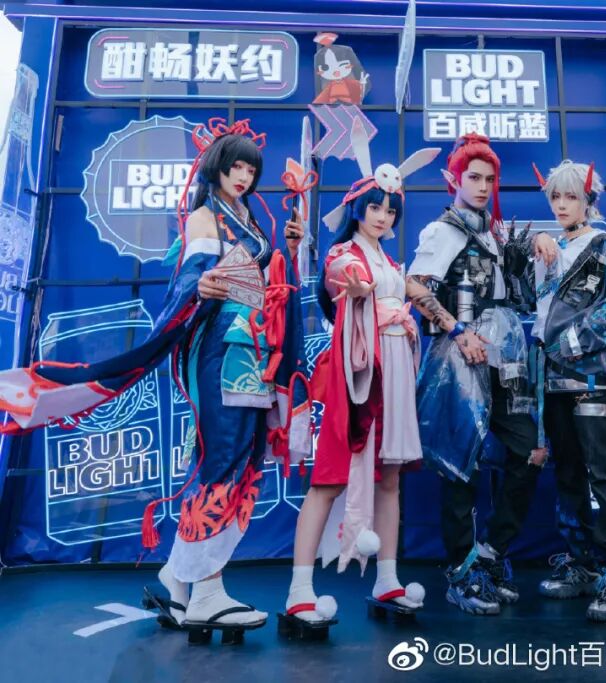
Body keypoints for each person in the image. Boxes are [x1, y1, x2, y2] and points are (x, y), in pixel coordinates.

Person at [0, 118, 312, 630]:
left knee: (241, 460)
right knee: (222, 460)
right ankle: (207, 591)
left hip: (255, 356)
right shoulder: (205, 218)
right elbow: (189, 281)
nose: (243, 176)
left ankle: (179, 581)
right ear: (216, 167)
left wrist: (291, 252)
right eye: (235, 166)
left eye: (251, 169)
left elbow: (267, 280)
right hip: (220, 353)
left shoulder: (251, 222)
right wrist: (202, 286)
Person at [283, 145, 440, 626]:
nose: (382, 216)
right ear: (358, 208)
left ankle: (387, 578)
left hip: (395, 375)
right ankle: (299, 589)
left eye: (390, 210)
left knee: (390, 478)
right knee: (330, 478)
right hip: (358, 378)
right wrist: (354, 285)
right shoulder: (344, 254)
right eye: (375, 207)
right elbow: (340, 277)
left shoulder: (389, 261)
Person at [404, 133, 557, 616]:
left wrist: (540, 242)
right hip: (460, 357)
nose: (482, 186)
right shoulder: (442, 230)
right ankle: (461, 571)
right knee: (460, 463)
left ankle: (488, 555)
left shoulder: (494, 232)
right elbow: (414, 285)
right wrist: (457, 330)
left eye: (489, 179)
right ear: (454, 179)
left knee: (529, 451)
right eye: (473, 177)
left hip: (505, 357)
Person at [530, 160, 606, 622]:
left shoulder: (605, 247)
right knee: (568, 473)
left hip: (593, 375)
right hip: (552, 380)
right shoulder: (550, 248)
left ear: (588, 201)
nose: (561, 205)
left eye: (570, 197)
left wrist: (572, 342)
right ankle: (580, 561)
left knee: (605, 474)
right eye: (555, 196)